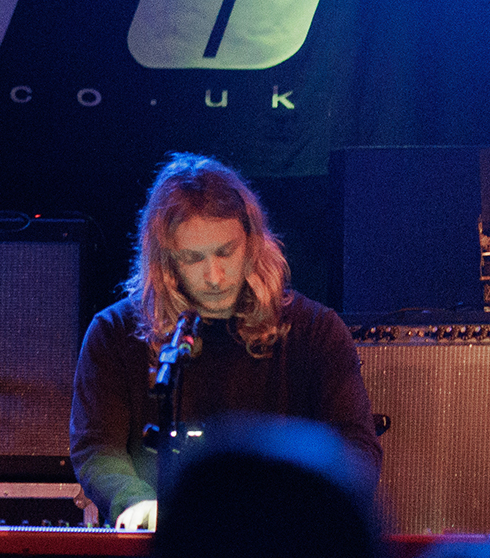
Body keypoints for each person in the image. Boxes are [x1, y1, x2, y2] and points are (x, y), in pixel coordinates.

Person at [69, 153, 381, 531]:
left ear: (252, 242)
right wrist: (135, 500)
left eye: (225, 252)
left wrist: (301, 512)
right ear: (166, 260)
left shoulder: (315, 330)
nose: (214, 276)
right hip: (161, 551)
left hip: (281, 548)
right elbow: (97, 448)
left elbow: (357, 449)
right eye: (193, 258)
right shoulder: (115, 332)